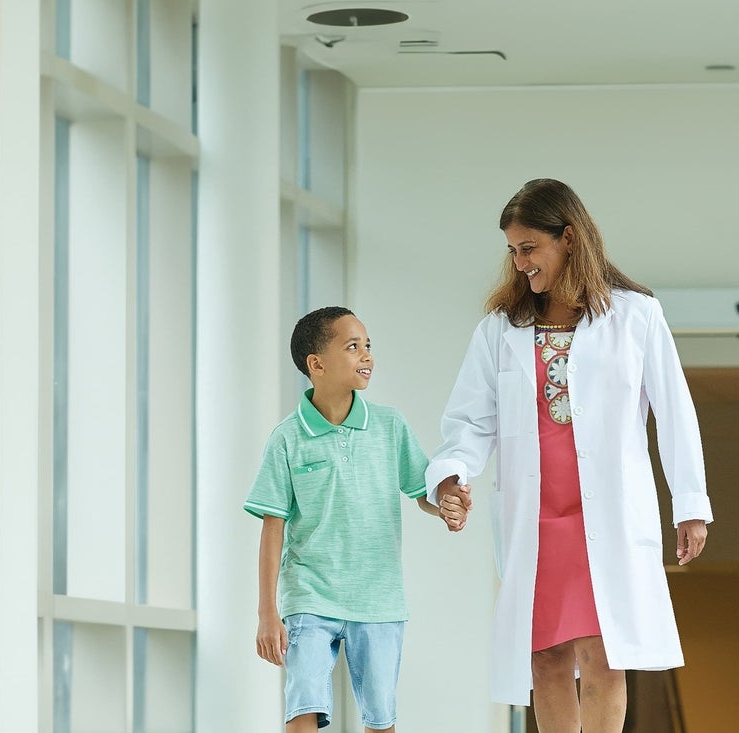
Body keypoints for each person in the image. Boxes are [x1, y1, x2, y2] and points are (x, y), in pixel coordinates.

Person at [428, 179, 712, 733]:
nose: (520, 263)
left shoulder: (636, 316)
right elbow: (468, 421)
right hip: (536, 518)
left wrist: (691, 503)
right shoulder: (500, 331)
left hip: (603, 513)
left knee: (602, 654)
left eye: (529, 248)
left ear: (570, 238)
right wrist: (451, 477)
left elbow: (676, 415)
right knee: (544, 657)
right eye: (513, 251)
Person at [246, 306, 452, 733]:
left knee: (380, 718)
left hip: (379, 599)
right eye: (353, 347)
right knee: (302, 707)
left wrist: (446, 500)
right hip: (309, 597)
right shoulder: (286, 438)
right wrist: (268, 612)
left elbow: (423, 491)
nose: (367, 357)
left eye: (368, 346)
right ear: (316, 364)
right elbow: (273, 528)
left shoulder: (389, 425)